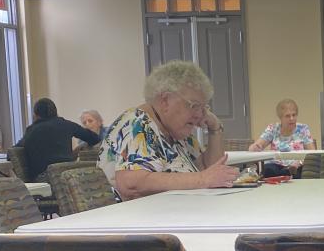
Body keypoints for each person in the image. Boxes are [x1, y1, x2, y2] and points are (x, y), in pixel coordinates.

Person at [101, 60, 237, 198]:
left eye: (203, 108)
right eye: (194, 106)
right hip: (140, 211)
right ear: (165, 100)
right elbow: (131, 183)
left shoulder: (176, 131)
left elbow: (209, 169)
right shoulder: (137, 125)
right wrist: (202, 179)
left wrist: (215, 129)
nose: (199, 115)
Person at [17, 98, 100, 182]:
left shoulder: (31, 130)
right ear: (56, 112)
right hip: (69, 175)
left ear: (36, 115)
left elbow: (14, 151)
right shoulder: (66, 124)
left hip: (44, 178)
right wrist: (80, 147)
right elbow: (94, 138)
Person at [249, 99, 316, 161]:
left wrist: (300, 163)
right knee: (269, 168)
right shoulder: (273, 129)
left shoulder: (303, 129)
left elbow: (312, 154)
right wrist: (255, 147)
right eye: (287, 116)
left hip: (297, 166)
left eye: (294, 115)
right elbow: (255, 147)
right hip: (275, 165)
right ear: (280, 117)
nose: (292, 118)